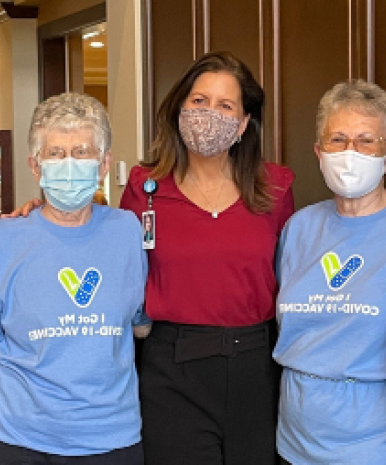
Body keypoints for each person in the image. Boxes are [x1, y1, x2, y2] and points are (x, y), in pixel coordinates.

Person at [0, 92, 150, 465]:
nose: (69, 164)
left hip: (109, 438)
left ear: (104, 164)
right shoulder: (2, 240)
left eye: (82, 152)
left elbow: (141, 325)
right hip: (12, 438)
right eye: (55, 154)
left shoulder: (127, 233)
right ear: (35, 166)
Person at [119, 51, 295, 465]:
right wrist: (44, 211)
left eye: (225, 105)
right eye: (199, 101)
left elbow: (291, 272)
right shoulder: (145, 188)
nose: (208, 114)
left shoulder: (275, 188)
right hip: (171, 368)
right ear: (180, 108)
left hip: (255, 365)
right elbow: (110, 253)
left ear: (243, 124)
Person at [273, 80, 386, 465]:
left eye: (368, 140)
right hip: (296, 443)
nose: (351, 151)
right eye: (337, 139)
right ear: (318, 152)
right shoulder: (298, 228)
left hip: (380, 446)